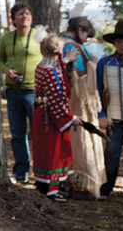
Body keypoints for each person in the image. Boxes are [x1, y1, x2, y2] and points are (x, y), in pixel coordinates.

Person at [31, 34, 79, 202]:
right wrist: (71, 118)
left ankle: (43, 187)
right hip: (50, 119)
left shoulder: (41, 66)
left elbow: (55, 71)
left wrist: (65, 60)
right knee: (53, 153)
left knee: (43, 152)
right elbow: (57, 101)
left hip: (41, 115)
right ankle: (51, 191)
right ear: (58, 50)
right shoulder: (52, 73)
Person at [0, 3, 41, 184]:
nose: (25, 16)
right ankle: (21, 172)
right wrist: (6, 71)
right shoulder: (7, 38)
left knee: (38, 133)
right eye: (20, 14)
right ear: (14, 19)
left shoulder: (39, 36)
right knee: (17, 134)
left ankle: (41, 172)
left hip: (35, 92)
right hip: (14, 91)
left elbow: (52, 56)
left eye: (28, 13)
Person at [62, 16, 106, 199]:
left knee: (73, 140)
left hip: (68, 104)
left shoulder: (60, 45)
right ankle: (80, 186)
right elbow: (83, 81)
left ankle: (69, 181)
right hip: (79, 105)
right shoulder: (74, 48)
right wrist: (94, 65)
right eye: (86, 35)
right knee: (82, 141)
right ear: (79, 30)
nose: (86, 40)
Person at [97, 19, 123, 198]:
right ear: (114, 43)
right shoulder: (105, 63)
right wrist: (101, 113)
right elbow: (98, 91)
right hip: (113, 118)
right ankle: (106, 189)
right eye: (120, 41)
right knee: (111, 155)